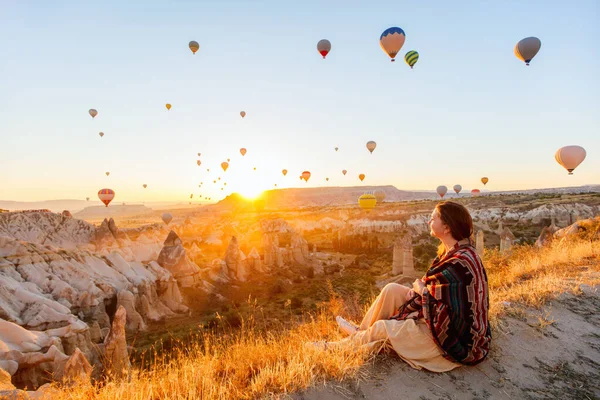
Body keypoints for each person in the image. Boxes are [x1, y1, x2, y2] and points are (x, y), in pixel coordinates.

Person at [313, 201, 491, 371]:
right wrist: (420, 292)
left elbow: (441, 310)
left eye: (434, 218)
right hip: (443, 325)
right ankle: (362, 333)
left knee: (383, 327)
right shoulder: (454, 253)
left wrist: (421, 291)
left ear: (447, 227)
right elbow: (438, 293)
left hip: (452, 343)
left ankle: (334, 349)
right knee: (392, 289)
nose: (429, 221)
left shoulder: (459, 263)